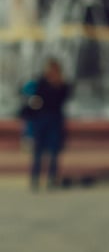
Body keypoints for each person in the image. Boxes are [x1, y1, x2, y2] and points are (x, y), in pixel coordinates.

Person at [22, 58, 71, 190]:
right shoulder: (40, 83)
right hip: (41, 120)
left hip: (54, 120)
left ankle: (51, 178)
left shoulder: (62, 85)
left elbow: (63, 99)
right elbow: (30, 96)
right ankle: (35, 178)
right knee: (38, 151)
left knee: (54, 151)